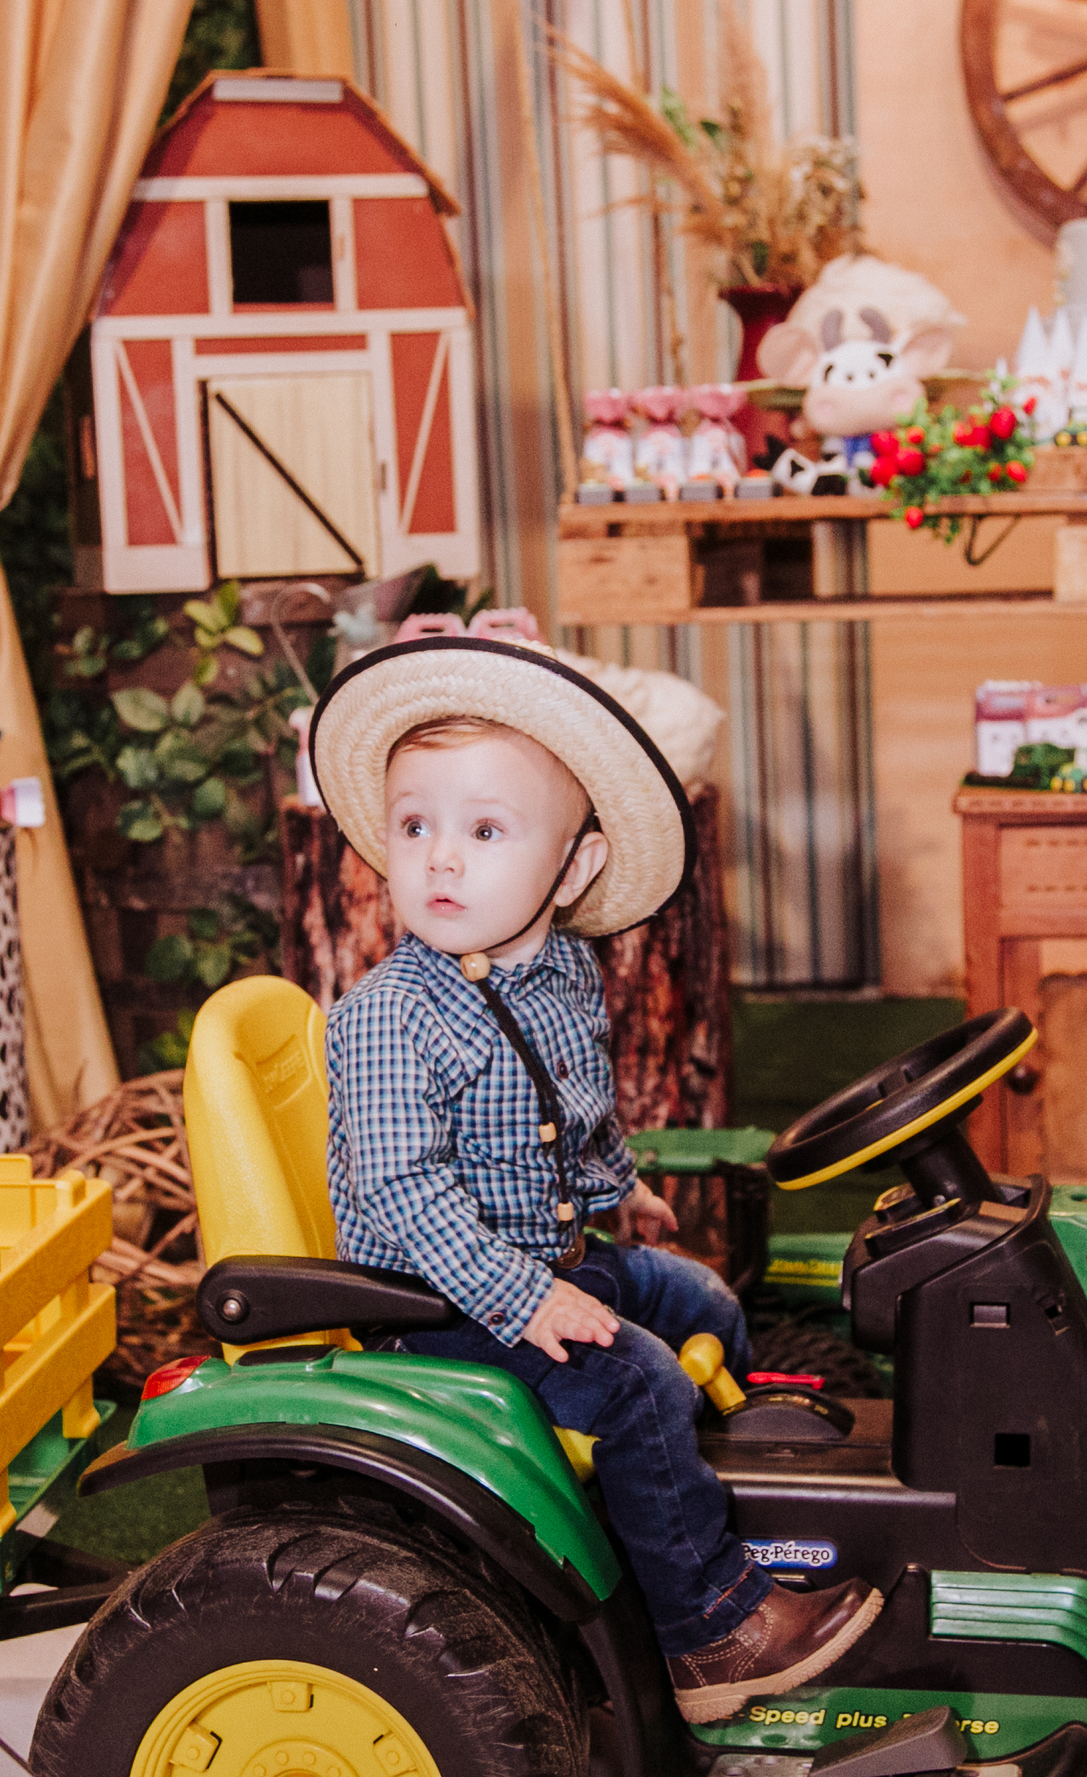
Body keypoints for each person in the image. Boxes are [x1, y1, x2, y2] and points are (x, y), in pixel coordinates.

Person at [309, 635, 880, 1723]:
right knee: (639, 1382)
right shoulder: (388, 1018)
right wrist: (528, 1299)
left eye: (484, 831)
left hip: (554, 1257)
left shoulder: (561, 967)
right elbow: (401, 1195)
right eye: (414, 827)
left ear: (571, 871)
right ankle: (707, 1630)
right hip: (441, 1306)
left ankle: (706, 1503)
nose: (439, 861)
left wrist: (622, 1188)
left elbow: (572, 1104)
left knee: (701, 1298)